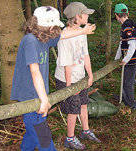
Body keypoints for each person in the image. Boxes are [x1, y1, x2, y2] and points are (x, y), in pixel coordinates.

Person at [10, 6, 96, 151]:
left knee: (32, 133)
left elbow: (62, 36)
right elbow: (34, 71)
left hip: (37, 95)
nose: (56, 30)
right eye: (54, 27)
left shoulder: (43, 38)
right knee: (44, 140)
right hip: (31, 97)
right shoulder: (31, 41)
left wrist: (83, 31)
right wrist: (44, 99)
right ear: (48, 27)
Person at [54, 2, 101, 150]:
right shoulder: (65, 36)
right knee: (73, 109)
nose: (88, 16)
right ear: (77, 16)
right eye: (85, 14)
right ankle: (70, 138)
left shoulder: (82, 32)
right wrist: (69, 87)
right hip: (67, 78)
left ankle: (85, 131)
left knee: (83, 104)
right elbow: (67, 64)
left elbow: (85, 55)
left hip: (80, 77)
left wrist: (90, 75)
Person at [114, 3, 136, 110]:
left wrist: (126, 59)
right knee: (124, 79)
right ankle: (123, 96)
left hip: (132, 59)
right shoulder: (127, 24)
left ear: (116, 15)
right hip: (130, 58)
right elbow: (122, 43)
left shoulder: (127, 26)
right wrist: (117, 58)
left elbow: (132, 44)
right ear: (127, 14)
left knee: (128, 82)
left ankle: (131, 104)